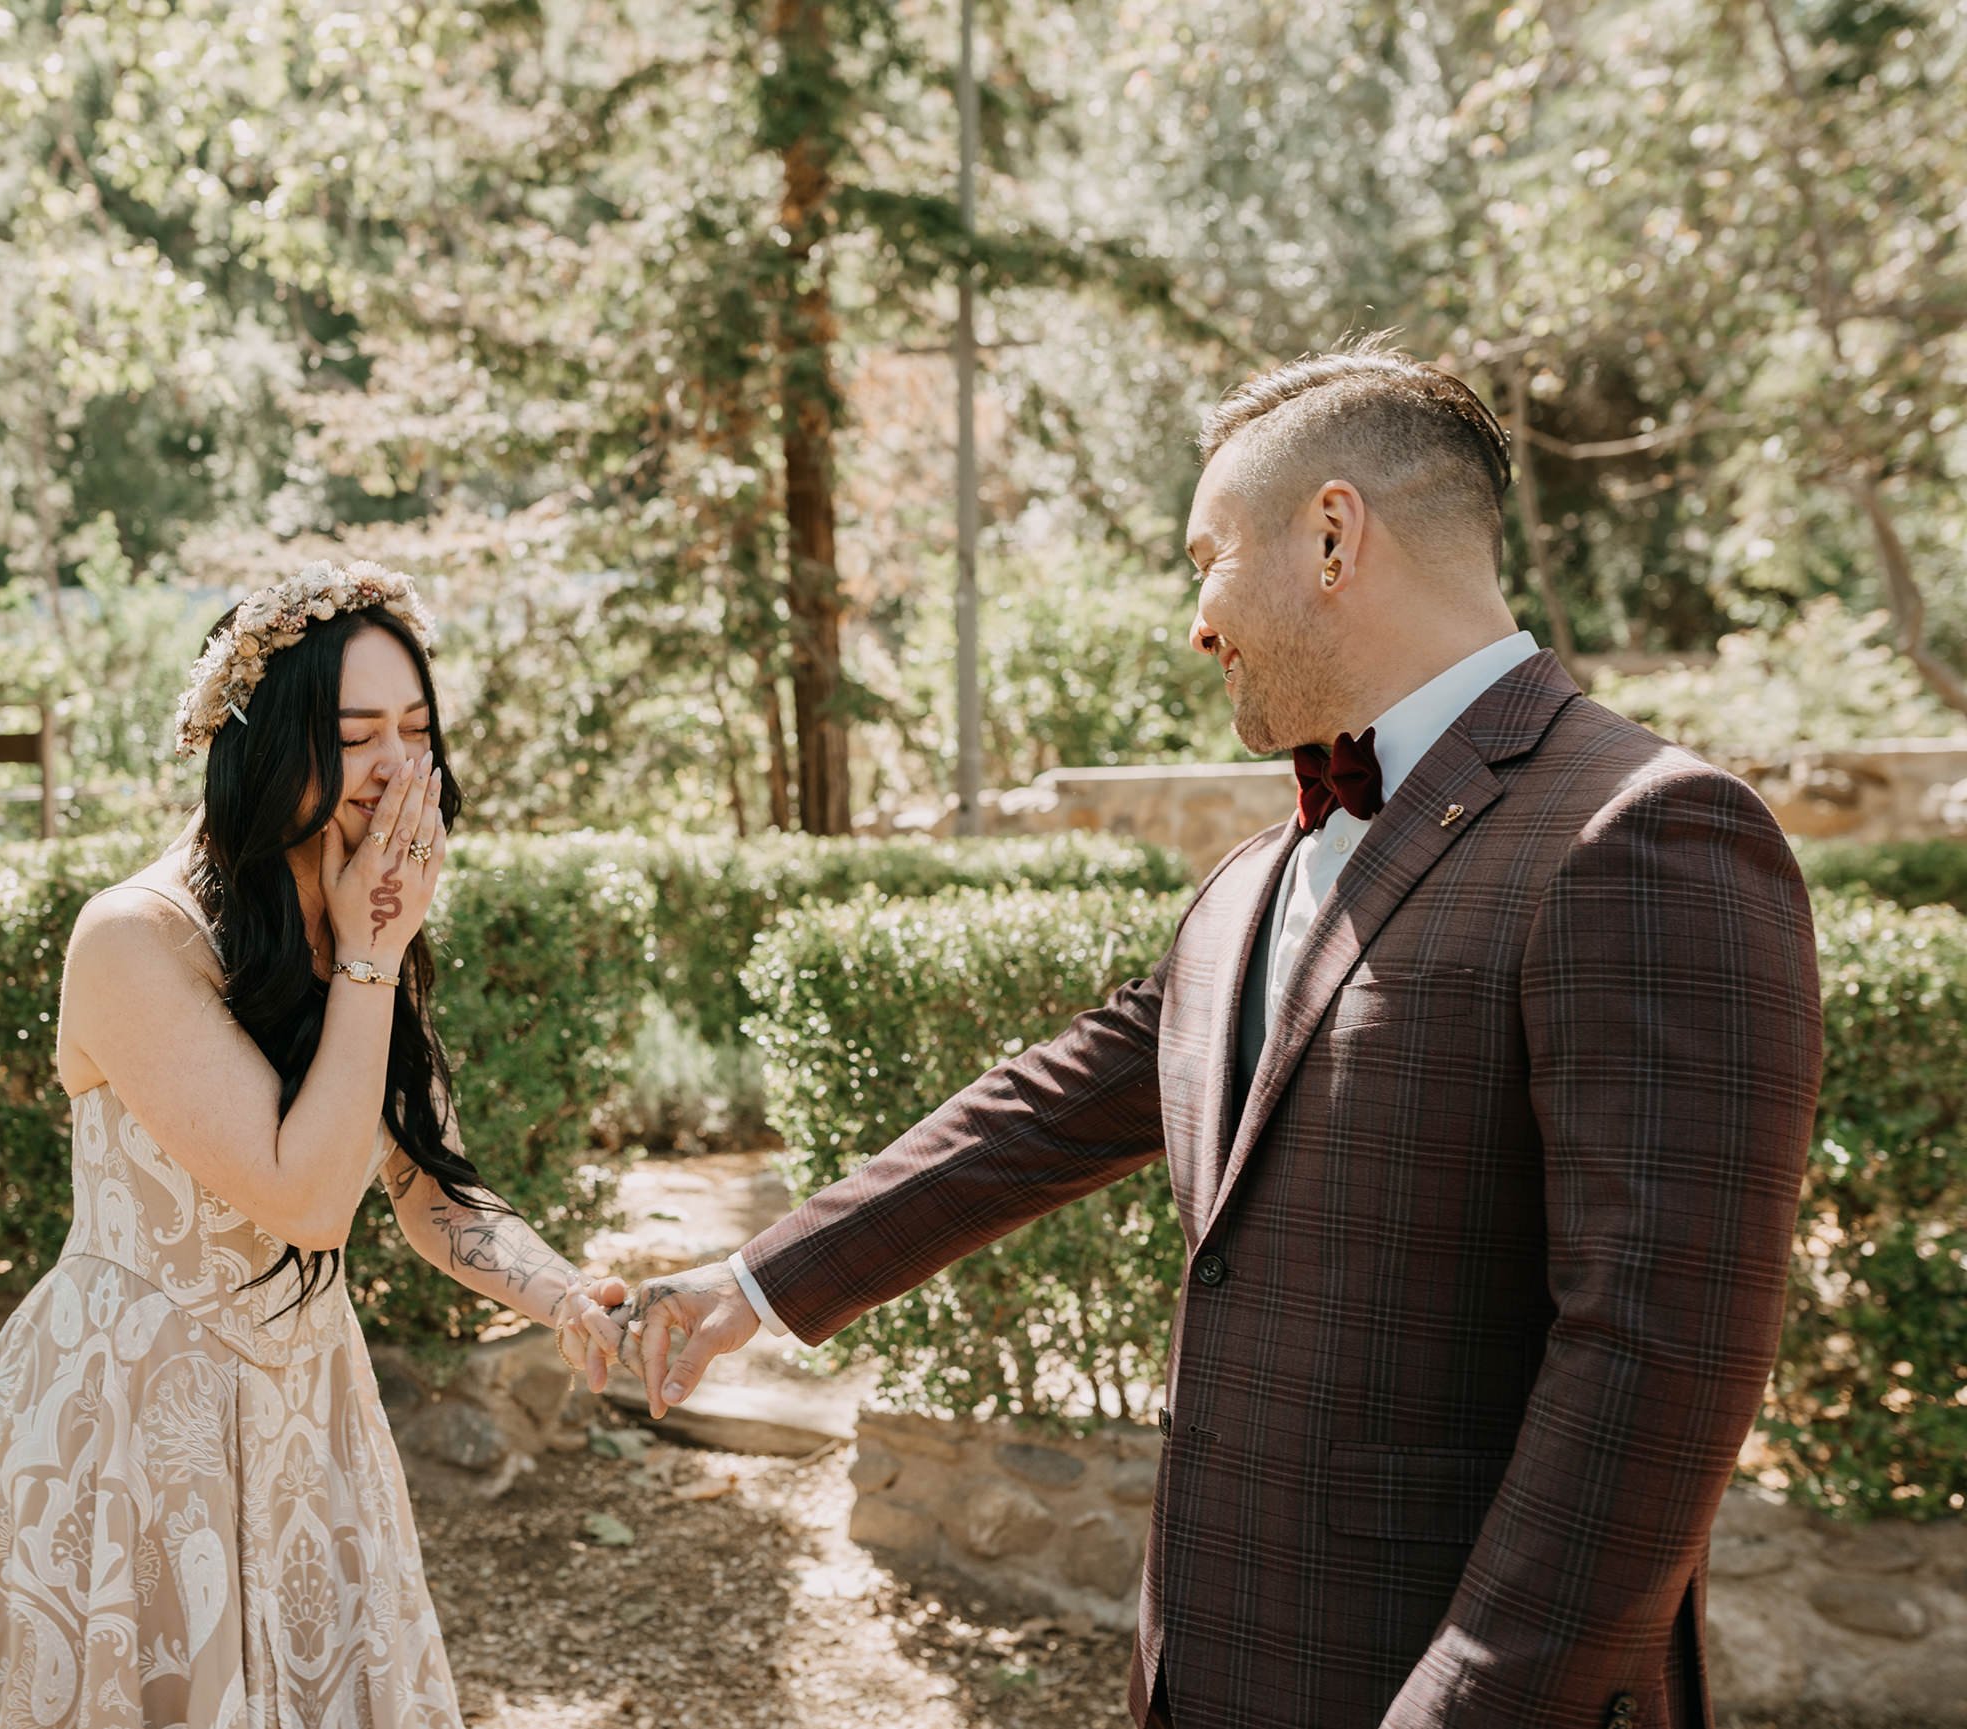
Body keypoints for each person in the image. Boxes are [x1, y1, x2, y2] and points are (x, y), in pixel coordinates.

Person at [620, 338, 1824, 1728]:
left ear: (1331, 534)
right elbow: (1044, 1114)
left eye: (1206, 556)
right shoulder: (1254, 877)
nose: (1197, 620)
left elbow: (1655, 1372)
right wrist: (754, 1286)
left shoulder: (1647, 831)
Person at [0, 559, 628, 1729]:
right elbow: (308, 1202)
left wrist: (567, 1296)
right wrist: (377, 946)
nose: (398, 765)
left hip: (305, 1413)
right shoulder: (133, 938)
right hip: (129, 1427)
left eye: (418, 729)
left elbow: (425, 1182)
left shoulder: (360, 912)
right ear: (270, 739)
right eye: (359, 732)